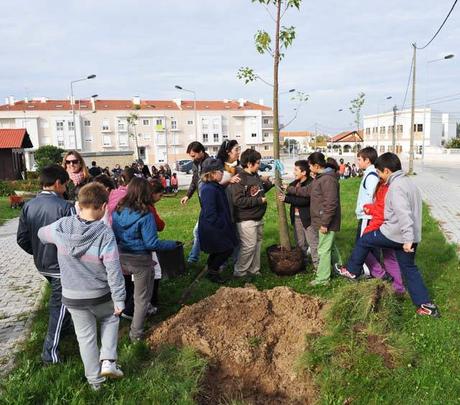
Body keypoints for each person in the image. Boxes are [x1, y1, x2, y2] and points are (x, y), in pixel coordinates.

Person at [37, 183, 126, 390]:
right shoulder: (105, 233)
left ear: (78, 205)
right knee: (111, 317)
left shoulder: (61, 226)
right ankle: (108, 361)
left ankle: (95, 383)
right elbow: (113, 269)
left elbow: (42, 233)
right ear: (104, 206)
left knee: (85, 338)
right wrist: (119, 298)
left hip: (72, 297)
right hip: (100, 294)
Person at [334, 153, 440, 317]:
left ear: (387, 170)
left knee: (364, 240)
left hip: (397, 234)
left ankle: (352, 270)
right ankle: (426, 305)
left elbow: (404, 214)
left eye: (379, 172)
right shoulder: (409, 182)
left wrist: (407, 239)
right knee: (410, 268)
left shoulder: (396, 187)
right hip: (408, 236)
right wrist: (410, 238)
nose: (378, 176)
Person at [17, 165, 74, 365]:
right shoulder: (66, 207)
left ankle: (65, 330)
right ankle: (50, 354)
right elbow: (74, 239)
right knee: (58, 307)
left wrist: (38, 252)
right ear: (58, 183)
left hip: (41, 264)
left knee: (63, 302)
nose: (66, 188)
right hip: (60, 266)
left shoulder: (28, 205)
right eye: (66, 184)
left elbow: (22, 238)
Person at [112, 177, 177, 340]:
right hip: (140, 260)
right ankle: (136, 335)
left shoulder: (118, 210)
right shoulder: (146, 214)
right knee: (141, 300)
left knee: (130, 293)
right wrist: (171, 244)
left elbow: (115, 235)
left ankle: (124, 319)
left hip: (122, 257)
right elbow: (151, 243)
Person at [287, 152, 342, 286]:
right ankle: (338, 269)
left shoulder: (328, 180)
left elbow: (331, 203)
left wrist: (325, 223)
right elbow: (306, 191)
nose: (309, 168)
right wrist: (289, 189)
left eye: (310, 165)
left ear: (317, 166)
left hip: (326, 222)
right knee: (330, 247)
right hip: (321, 221)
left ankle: (322, 279)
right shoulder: (319, 178)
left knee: (322, 250)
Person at [230, 149, 273, 277]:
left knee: (257, 245)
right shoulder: (240, 179)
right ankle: (240, 271)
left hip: (258, 218)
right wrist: (259, 200)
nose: (259, 165)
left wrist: (270, 184)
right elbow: (238, 200)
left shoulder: (254, 176)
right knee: (249, 246)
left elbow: (257, 190)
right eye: (258, 163)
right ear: (249, 164)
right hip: (246, 219)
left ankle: (254, 270)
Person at [198, 158, 238, 283]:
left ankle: (211, 269)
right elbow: (210, 213)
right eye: (221, 171)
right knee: (226, 248)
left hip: (217, 225)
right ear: (213, 173)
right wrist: (221, 224)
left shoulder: (214, 186)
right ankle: (213, 271)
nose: (223, 173)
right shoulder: (208, 189)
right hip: (213, 227)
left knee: (219, 250)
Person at [362, 180, 405, 294]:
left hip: (383, 226)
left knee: (362, 247)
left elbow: (382, 210)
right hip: (390, 226)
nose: (377, 174)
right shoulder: (388, 185)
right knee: (389, 256)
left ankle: (381, 274)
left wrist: (368, 208)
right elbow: (380, 206)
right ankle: (398, 288)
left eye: (379, 171)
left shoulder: (387, 187)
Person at [278, 160, 318, 270]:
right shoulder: (294, 183)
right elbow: (288, 191)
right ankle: (303, 264)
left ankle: (318, 267)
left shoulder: (311, 184)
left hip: (308, 219)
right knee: (300, 243)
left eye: (296, 170)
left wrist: (287, 199)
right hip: (296, 218)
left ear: (304, 172)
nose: (294, 172)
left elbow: (305, 201)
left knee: (313, 243)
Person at [180, 141, 209, 264]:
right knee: (201, 231)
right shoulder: (195, 164)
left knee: (198, 231)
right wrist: (187, 195)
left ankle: (193, 258)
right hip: (204, 203)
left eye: (193, 155)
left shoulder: (210, 163)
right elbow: (194, 181)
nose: (192, 158)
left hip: (210, 202)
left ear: (201, 152)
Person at [355, 147, 380, 276]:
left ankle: (369, 271)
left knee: (363, 245)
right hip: (366, 215)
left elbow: (372, 197)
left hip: (367, 216)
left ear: (367, 160)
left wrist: (363, 209)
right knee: (368, 244)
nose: (358, 162)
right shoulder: (369, 174)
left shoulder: (371, 176)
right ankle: (374, 271)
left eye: (359, 159)